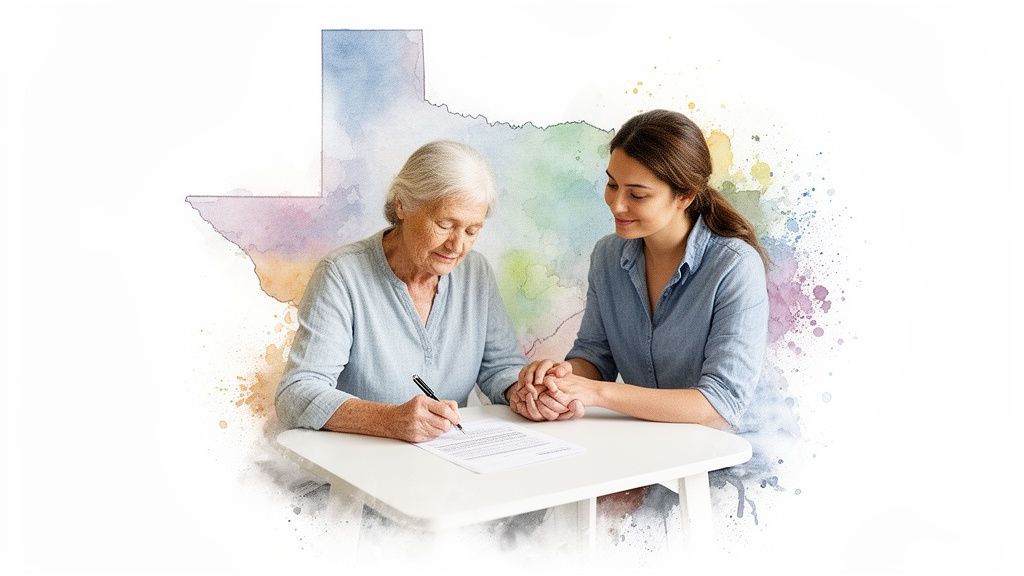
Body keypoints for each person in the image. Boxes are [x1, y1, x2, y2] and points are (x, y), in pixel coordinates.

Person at [503, 109, 790, 534]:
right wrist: (560, 380)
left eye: (637, 194)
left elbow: (718, 406)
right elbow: (594, 355)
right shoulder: (607, 256)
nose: (616, 204)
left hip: (735, 464)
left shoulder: (733, 266)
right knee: (533, 518)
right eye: (612, 183)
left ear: (685, 196)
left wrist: (596, 392)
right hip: (654, 452)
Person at [275, 140, 526, 442]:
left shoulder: (476, 273)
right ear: (402, 204)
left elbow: (502, 368)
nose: (458, 246)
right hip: (359, 468)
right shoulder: (342, 274)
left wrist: (522, 391)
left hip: (448, 465)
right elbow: (296, 393)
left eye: (472, 230)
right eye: (445, 225)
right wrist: (389, 420)